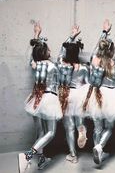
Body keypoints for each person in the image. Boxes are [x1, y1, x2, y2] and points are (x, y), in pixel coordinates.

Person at [18, 22, 62, 172]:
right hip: (49, 98)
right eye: (48, 49)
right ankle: (28, 155)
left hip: (36, 98)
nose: (50, 50)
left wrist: (36, 35)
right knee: (50, 132)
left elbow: (33, 55)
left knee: (41, 132)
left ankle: (42, 159)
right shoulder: (52, 66)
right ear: (44, 52)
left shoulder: (35, 63)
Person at [79, 19, 115, 166]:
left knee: (98, 127)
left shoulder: (94, 59)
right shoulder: (113, 64)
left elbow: (94, 48)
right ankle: (99, 147)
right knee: (109, 127)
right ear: (111, 51)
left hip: (96, 94)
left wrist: (104, 32)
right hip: (110, 96)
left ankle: (97, 150)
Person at [57, 25, 89, 164]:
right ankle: (82, 130)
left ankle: (73, 155)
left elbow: (60, 53)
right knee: (79, 122)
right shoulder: (83, 68)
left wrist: (72, 36)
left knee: (69, 127)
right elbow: (87, 83)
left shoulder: (62, 65)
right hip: (79, 94)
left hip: (67, 95)